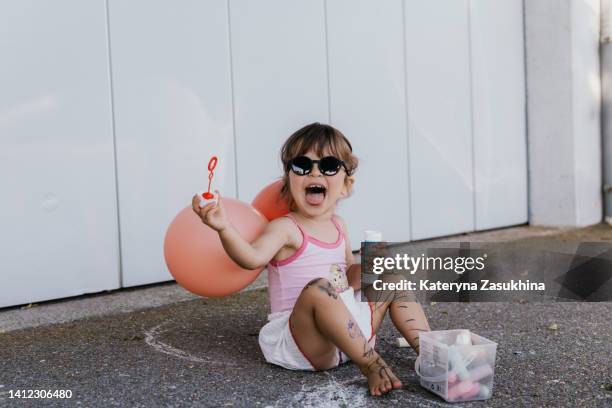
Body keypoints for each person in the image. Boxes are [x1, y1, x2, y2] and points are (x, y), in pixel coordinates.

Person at [192, 122, 430, 396]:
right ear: (288, 182)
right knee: (319, 289)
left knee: (392, 279)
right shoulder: (286, 228)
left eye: (328, 166)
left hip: (351, 333)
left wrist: (367, 268)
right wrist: (223, 227)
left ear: (346, 185)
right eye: (302, 166)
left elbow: (347, 279)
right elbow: (251, 257)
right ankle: (372, 364)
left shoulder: (339, 225)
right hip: (306, 340)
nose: (315, 172)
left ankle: (430, 351)